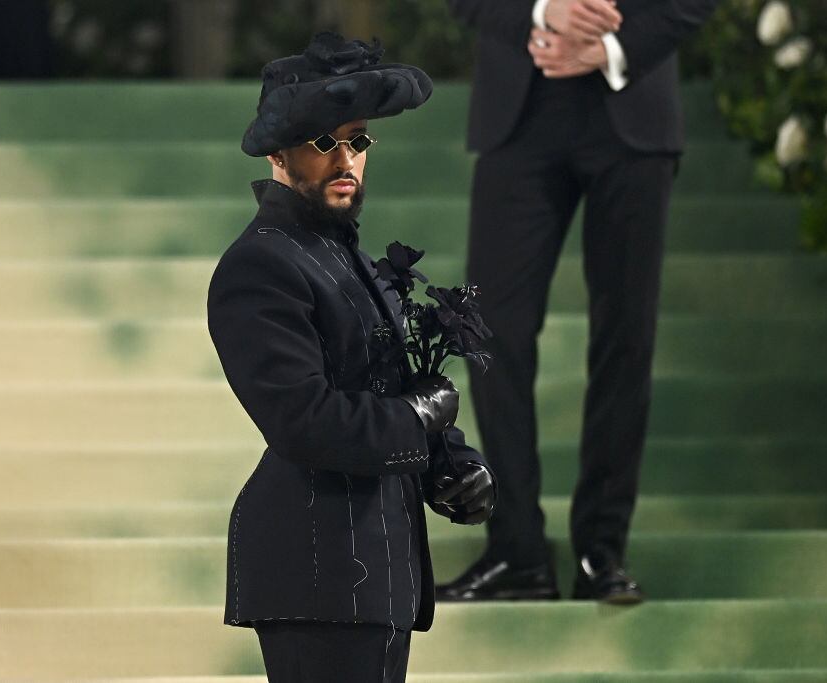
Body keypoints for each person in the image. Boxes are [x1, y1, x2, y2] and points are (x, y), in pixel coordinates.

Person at [207, 33, 496, 683]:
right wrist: (419, 419)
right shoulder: (259, 264)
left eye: (358, 141)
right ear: (280, 154)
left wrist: (451, 463)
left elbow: (389, 390)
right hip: (317, 567)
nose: (347, 159)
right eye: (325, 143)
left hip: (367, 571)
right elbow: (304, 420)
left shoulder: (343, 256)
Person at [437, 0, 717, 604]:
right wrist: (543, 11)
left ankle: (601, 551)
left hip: (632, 108)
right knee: (489, 330)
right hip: (519, 114)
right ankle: (516, 552)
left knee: (625, 337)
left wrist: (613, 48)